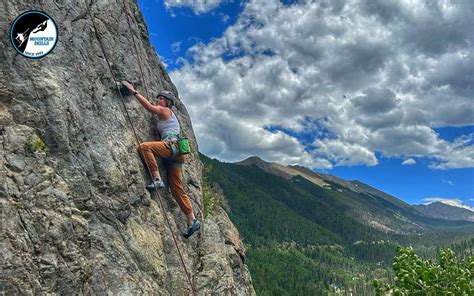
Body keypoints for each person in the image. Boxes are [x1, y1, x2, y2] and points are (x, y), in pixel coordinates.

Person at [121, 81, 200, 239]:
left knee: (145, 147)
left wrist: (134, 91)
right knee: (177, 188)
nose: (158, 100)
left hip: (171, 146)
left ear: (167, 103)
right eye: (157, 98)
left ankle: (157, 178)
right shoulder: (168, 119)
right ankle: (192, 220)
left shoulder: (165, 110)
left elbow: (150, 108)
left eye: (160, 99)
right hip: (177, 152)